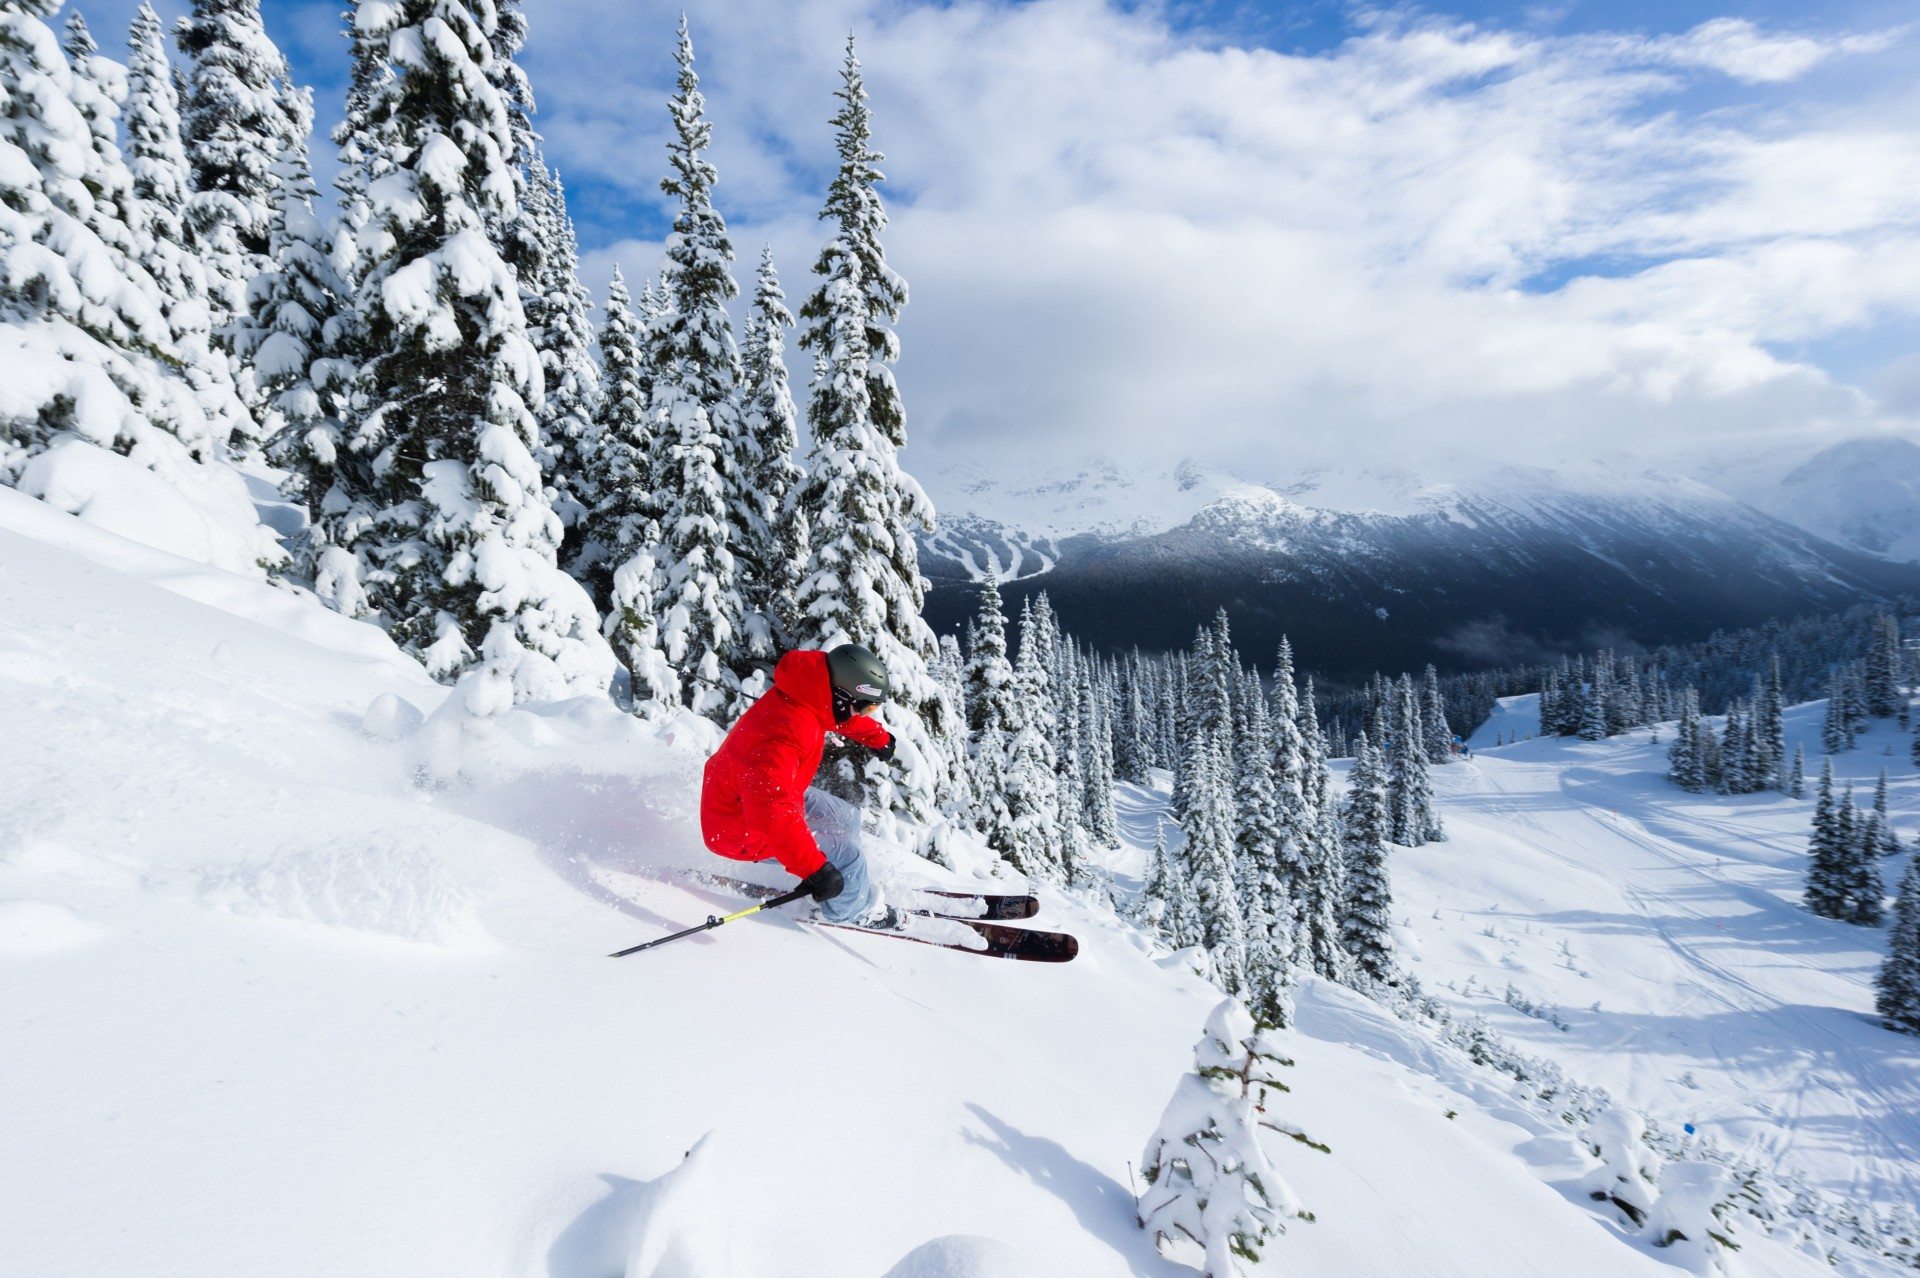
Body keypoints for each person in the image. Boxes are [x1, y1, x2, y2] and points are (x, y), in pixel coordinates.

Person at [700, 642, 905, 929]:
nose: (864, 715)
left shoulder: (809, 691)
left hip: (751, 792)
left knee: (847, 818)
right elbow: (772, 814)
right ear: (843, 697)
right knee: (849, 857)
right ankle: (853, 910)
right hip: (740, 825)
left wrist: (877, 738)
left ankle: (842, 884)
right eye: (865, 707)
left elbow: (835, 714)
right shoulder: (784, 736)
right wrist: (815, 869)